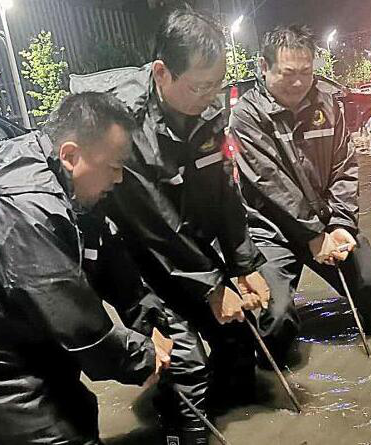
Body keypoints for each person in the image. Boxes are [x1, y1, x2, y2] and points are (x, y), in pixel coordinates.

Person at [0, 92, 173, 445]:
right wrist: (144, 359)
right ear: (71, 155)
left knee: (76, 409)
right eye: (114, 166)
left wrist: (148, 319)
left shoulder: (50, 170)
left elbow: (104, 251)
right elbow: (78, 324)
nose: (118, 179)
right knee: (63, 435)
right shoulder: (27, 208)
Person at [76, 7, 270, 444]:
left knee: (239, 340)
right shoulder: (124, 117)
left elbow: (224, 185)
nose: (211, 95)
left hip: (184, 245)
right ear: (161, 73)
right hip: (131, 255)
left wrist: (243, 263)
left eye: (216, 84)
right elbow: (152, 219)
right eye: (200, 86)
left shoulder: (206, 106)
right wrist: (212, 286)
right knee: (188, 365)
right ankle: (182, 430)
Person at [229, 25, 371, 365]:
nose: (298, 82)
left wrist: (341, 225)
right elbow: (270, 182)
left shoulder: (328, 104)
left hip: (326, 224)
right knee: (275, 320)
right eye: (287, 73)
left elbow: (345, 166)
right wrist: (311, 235)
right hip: (271, 232)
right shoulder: (245, 117)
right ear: (263, 68)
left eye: (306, 72)